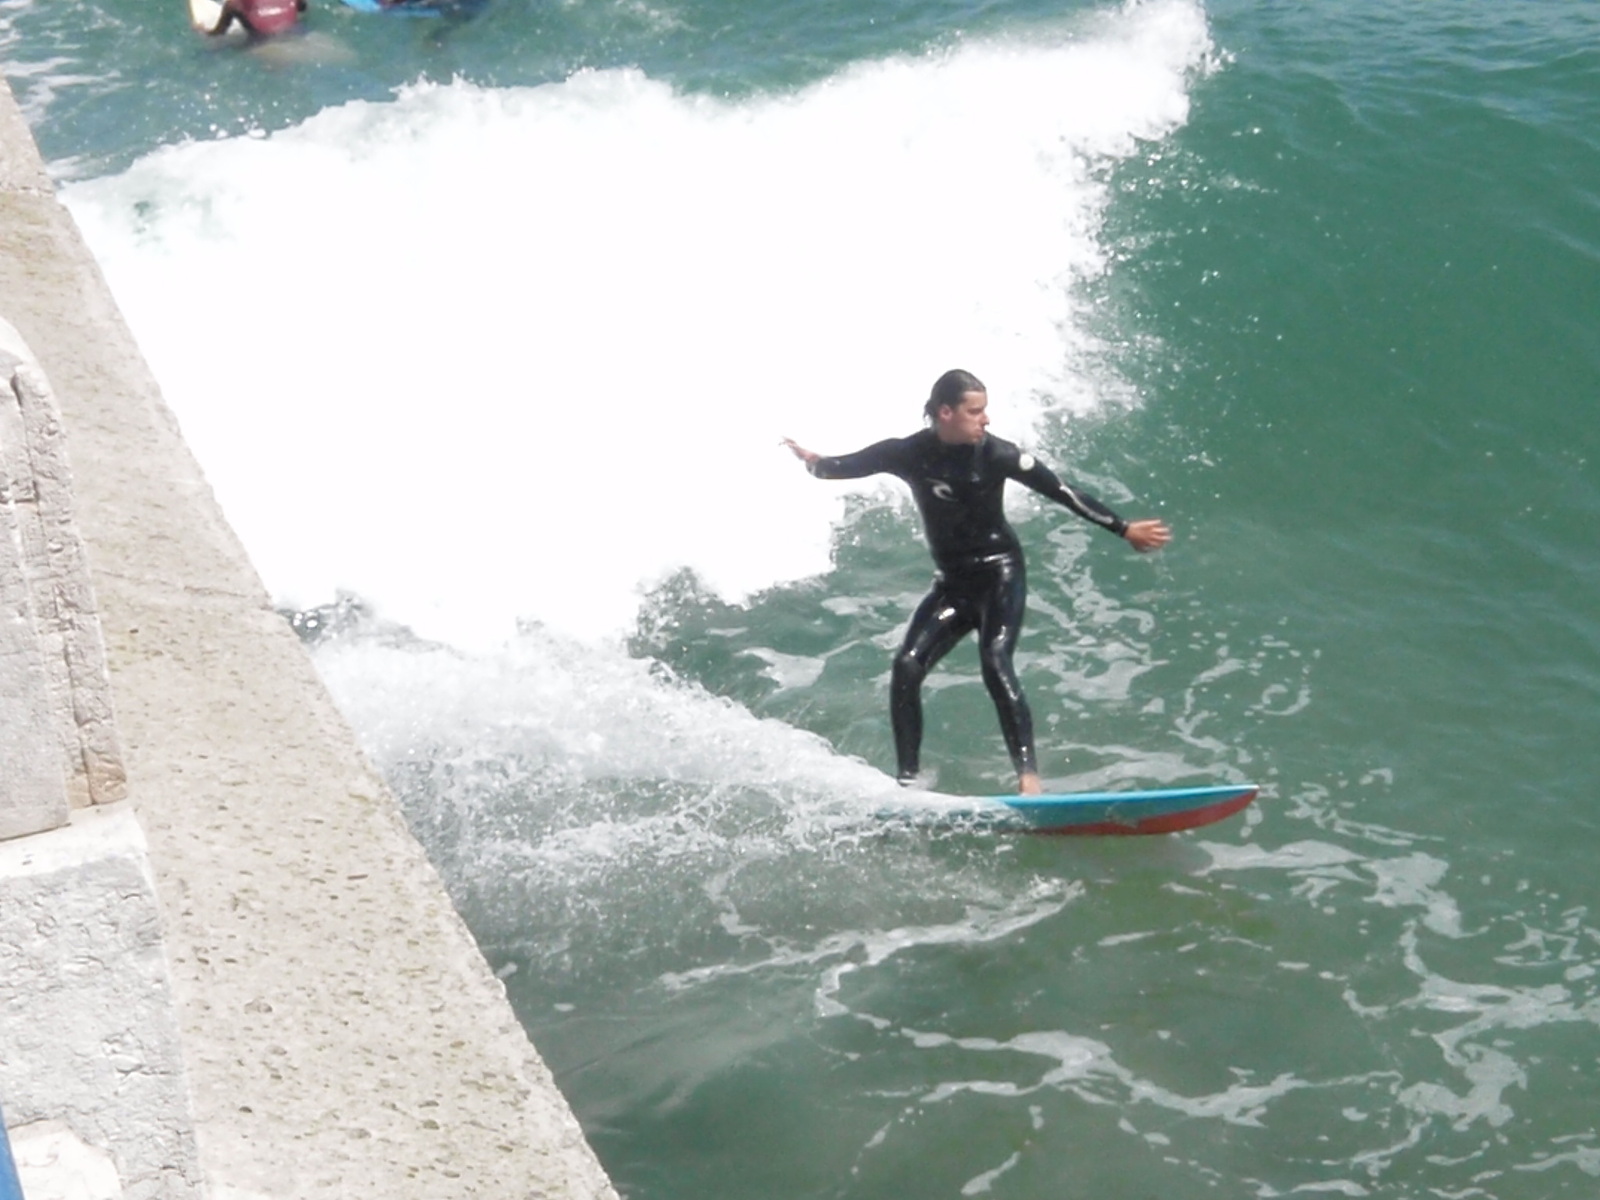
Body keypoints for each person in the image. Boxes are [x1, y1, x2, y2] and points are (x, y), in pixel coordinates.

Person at [783, 368, 1171, 796]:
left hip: (999, 574)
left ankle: (1029, 780)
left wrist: (1122, 528)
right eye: (976, 411)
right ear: (945, 413)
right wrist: (811, 462)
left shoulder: (999, 455)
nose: (985, 420)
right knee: (906, 666)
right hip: (952, 584)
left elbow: (1063, 491)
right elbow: (843, 467)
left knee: (995, 659)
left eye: (984, 411)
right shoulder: (909, 452)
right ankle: (907, 782)